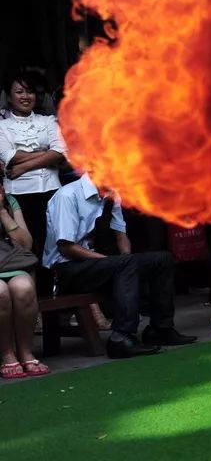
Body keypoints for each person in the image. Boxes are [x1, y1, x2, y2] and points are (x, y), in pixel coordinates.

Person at [43, 173, 196, 358]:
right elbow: (66, 247)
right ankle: (121, 337)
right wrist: (117, 263)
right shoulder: (67, 196)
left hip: (92, 265)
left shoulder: (110, 194)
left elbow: (121, 234)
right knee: (125, 264)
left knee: (161, 260)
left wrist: (128, 261)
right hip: (65, 270)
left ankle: (161, 328)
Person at [0, 69, 68, 295]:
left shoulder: (48, 121)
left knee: (53, 246)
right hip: (18, 193)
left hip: (51, 190)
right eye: (19, 91)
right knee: (26, 248)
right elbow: (8, 156)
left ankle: (53, 302)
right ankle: (32, 301)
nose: (25, 96)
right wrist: (43, 154)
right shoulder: (1, 126)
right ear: (9, 96)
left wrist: (21, 166)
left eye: (29, 91)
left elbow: (60, 152)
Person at [0, 183, 48, 379]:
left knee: (24, 287)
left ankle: (26, 352)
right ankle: (6, 354)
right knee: (0, 292)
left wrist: (2, 211)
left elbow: (26, 244)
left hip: (11, 263)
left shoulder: (10, 201)